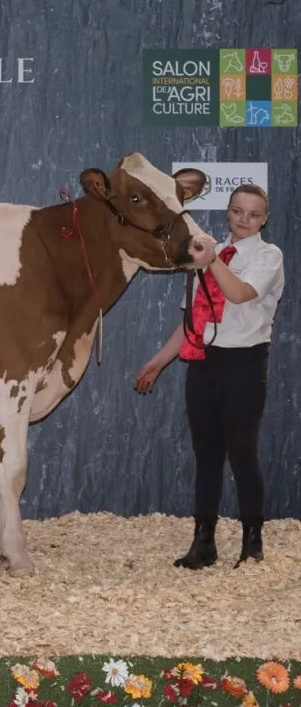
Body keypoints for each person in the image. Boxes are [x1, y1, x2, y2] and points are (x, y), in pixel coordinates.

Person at [134, 183, 284, 569]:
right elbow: (191, 321)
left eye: (253, 214)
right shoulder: (208, 257)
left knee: (242, 452)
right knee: (207, 455)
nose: (244, 220)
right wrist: (158, 362)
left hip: (244, 364)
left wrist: (211, 260)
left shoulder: (268, 256)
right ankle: (204, 543)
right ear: (228, 212)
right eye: (237, 211)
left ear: (265, 218)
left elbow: (239, 294)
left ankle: (252, 543)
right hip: (202, 363)